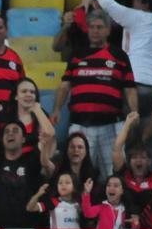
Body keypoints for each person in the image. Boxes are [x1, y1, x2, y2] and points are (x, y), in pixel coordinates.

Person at [53, 12, 136, 178]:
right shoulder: (76, 55)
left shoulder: (119, 56)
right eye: (91, 27)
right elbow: (65, 85)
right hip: (80, 123)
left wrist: (135, 111)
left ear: (108, 30)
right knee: (77, 170)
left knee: (114, 171)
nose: (95, 31)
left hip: (111, 125)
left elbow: (129, 87)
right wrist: (56, 109)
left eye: (99, 27)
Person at [77, 0, 152, 116]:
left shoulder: (137, 17)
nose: (133, 3)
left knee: (130, 127)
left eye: (137, 0)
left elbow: (108, 3)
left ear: (145, 4)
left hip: (138, 85)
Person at [0, 100, 49, 228]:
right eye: (6, 131)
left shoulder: (32, 160)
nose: (10, 133)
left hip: (27, 228)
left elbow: (49, 134)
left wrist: (37, 110)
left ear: (23, 139)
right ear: (2, 140)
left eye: (15, 130)